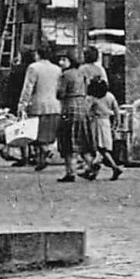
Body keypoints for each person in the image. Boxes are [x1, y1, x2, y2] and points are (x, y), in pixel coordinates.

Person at [18, 45, 62, 171]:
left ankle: (46, 152)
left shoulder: (33, 68)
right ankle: (41, 160)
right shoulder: (57, 69)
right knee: (47, 134)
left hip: (38, 104)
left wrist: (22, 104)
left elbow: (28, 87)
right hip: (54, 105)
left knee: (36, 135)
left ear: (38, 54)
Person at [56, 49, 95, 182]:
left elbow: (60, 93)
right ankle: (91, 164)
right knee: (83, 140)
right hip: (82, 108)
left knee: (68, 141)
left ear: (69, 61)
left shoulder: (65, 75)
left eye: (64, 60)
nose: (61, 62)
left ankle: (70, 172)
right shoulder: (82, 74)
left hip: (69, 108)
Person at [85, 77, 124, 181]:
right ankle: (93, 169)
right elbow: (116, 110)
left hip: (97, 122)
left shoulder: (92, 98)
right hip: (107, 121)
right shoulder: (110, 96)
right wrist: (117, 123)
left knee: (99, 147)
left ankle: (114, 167)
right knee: (103, 146)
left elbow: (87, 111)